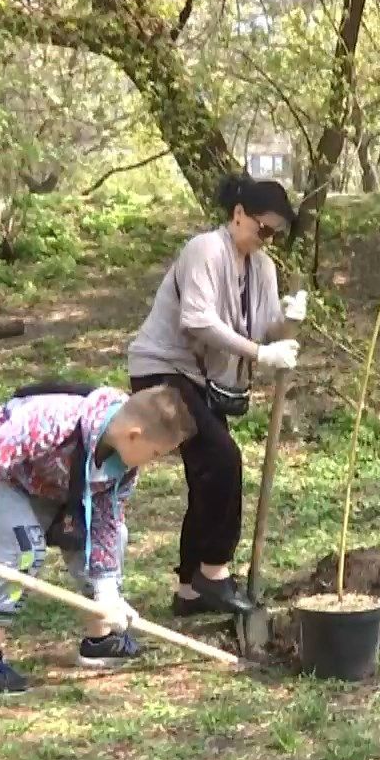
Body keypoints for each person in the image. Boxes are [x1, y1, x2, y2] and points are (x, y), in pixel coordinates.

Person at [126, 173, 307, 618]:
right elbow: (198, 322)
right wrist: (262, 354)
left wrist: (287, 321)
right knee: (222, 458)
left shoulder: (262, 267)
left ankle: (189, 590)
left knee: (207, 472)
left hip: (200, 380)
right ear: (239, 213)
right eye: (262, 228)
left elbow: (264, 327)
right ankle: (214, 573)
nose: (267, 239)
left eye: (276, 235)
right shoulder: (205, 249)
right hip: (162, 370)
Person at [0, 384, 198, 699]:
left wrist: (107, 592)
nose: (154, 461)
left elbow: (105, 521)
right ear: (134, 435)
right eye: (156, 453)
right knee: (24, 550)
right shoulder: (54, 419)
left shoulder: (123, 463)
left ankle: (99, 640)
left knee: (112, 538)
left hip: (49, 482)